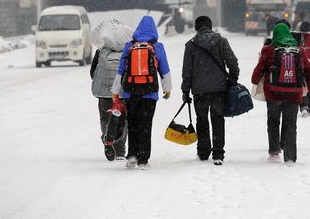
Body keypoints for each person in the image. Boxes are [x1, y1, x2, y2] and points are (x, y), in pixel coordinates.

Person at [112, 16, 172, 170]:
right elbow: (164, 70)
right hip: (149, 93)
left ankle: (132, 155)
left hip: (129, 92)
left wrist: (116, 92)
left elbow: (120, 71)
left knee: (132, 124)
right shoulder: (157, 47)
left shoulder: (129, 46)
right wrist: (167, 88)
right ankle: (143, 160)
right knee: (146, 125)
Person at [251, 23, 310, 164]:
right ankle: (290, 157)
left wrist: (256, 81)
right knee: (290, 124)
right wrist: (308, 89)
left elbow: (256, 74)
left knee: (273, 122)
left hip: (273, 94)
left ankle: (274, 153)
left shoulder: (268, 50)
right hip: (293, 95)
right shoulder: (299, 50)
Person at [181, 16, 239, 166]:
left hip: (199, 90)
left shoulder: (191, 45)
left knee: (202, 120)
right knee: (218, 119)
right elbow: (232, 62)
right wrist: (231, 80)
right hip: (219, 88)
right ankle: (218, 153)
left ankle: (203, 152)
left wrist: (185, 91)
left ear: (196, 27)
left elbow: (187, 71)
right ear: (210, 26)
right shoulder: (221, 41)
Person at [90, 19, 132, 161]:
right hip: (121, 93)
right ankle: (120, 150)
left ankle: (106, 138)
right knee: (122, 118)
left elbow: (93, 73)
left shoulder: (101, 52)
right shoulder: (128, 52)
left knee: (105, 117)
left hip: (103, 93)